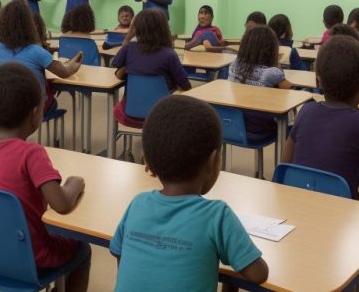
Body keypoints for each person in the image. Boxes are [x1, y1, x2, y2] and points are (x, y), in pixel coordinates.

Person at [110, 95, 268, 292]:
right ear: (213, 162)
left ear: (148, 162)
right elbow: (259, 274)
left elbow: (119, 254)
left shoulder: (137, 204)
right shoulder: (217, 216)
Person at [0, 63, 90, 292]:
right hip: (31, 256)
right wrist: (75, 183)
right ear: (36, 113)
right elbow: (62, 204)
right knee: (82, 249)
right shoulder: (31, 154)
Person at [281, 36, 359, 199]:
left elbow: (285, 161)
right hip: (343, 212)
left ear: (318, 82)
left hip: (299, 201)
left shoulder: (306, 111)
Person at [0, 0, 81, 114]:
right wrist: (75, 62)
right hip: (33, 109)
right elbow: (64, 72)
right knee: (50, 97)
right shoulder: (36, 50)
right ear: (29, 24)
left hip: (6, 106)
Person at [112, 10, 192, 129]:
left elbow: (115, 63)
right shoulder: (169, 54)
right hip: (162, 115)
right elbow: (186, 87)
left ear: (136, 29)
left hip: (129, 114)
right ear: (164, 29)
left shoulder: (129, 48)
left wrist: (128, 38)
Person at [228, 26, 291, 140]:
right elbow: (291, 90)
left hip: (232, 126)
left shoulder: (235, 64)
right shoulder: (272, 73)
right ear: (271, 49)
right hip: (259, 130)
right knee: (294, 125)